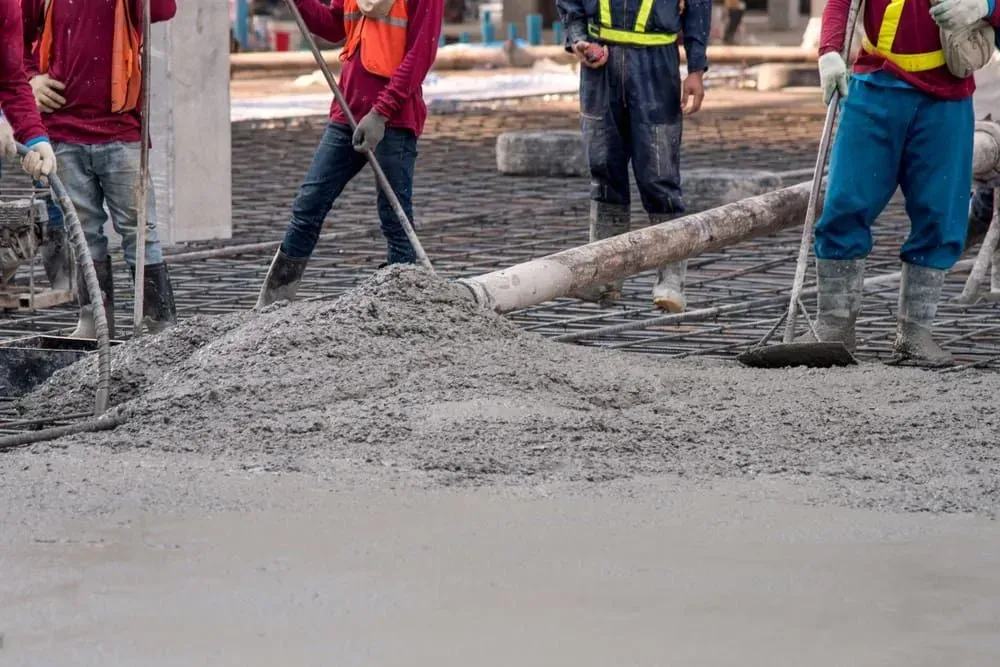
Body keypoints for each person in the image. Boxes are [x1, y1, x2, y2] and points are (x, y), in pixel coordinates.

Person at [811, 0, 1000, 367]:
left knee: (941, 213)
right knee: (846, 200)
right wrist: (829, 51)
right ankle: (834, 327)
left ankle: (914, 334)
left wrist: (986, 7)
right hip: (874, 86)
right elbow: (840, 2)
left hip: (945, 97)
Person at [256, 0, 444, 306]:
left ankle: (406, 306)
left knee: (394, 216)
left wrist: (382, 112)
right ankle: (273, 302)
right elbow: (333, 26)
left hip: (392, 119)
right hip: (348, 112)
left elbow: (421, 54)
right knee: (309, 204)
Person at [21, 0, 178, 339]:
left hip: (121, 133)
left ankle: (158, 324)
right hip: (62, 133)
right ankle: (94, 322)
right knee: (84, 232)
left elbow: (163, 9)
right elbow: (14, 36)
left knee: (139, 231)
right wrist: (30, 78)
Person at [555, 0, 711, 313]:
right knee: (604, 169)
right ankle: (604, 275)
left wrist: (696, 68)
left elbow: (698, 6)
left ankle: (670, 278)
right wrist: (579, 39)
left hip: (656, 67)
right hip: (601, 68)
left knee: (659, 175)